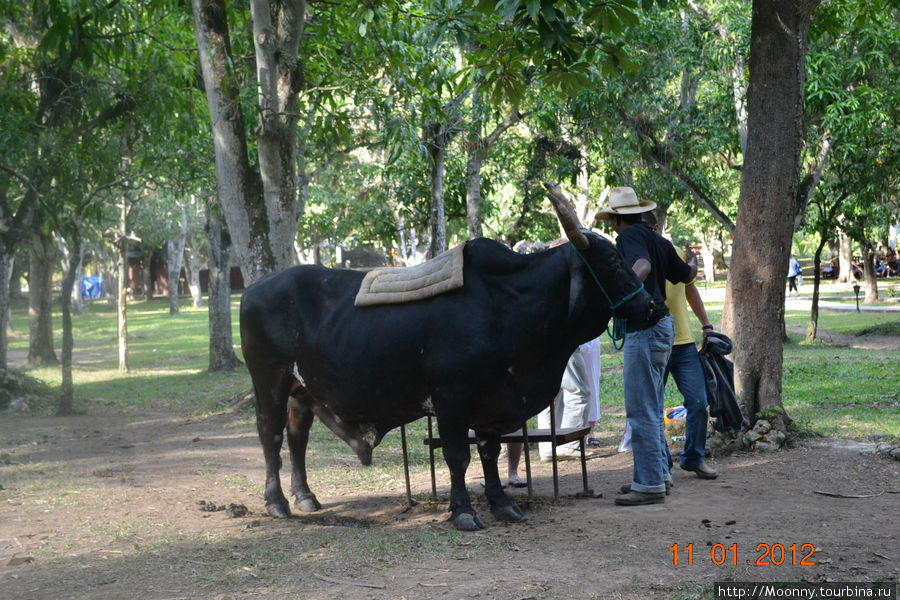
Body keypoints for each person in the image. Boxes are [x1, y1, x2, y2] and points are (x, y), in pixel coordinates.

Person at [595, 186, 696, 506]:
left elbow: (641, 268)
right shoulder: (660, 241)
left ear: (615, 220)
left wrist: (618, 296)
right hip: (665, 327)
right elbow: (685, 274)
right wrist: (692, 262)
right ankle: (657, 474)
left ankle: (650, 483)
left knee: (641, 409)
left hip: (646, 327)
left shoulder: (627, 238)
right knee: (651, 405)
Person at [643, 213, 717, 480]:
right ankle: (663, 464)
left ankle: (694, 458)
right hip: (652, 343)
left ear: (654, 228)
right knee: (652, 407)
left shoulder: (670, 251)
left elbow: (689, 287)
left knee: (698, 402)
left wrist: (706, 324)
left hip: (684, 344)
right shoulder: (633, 258)